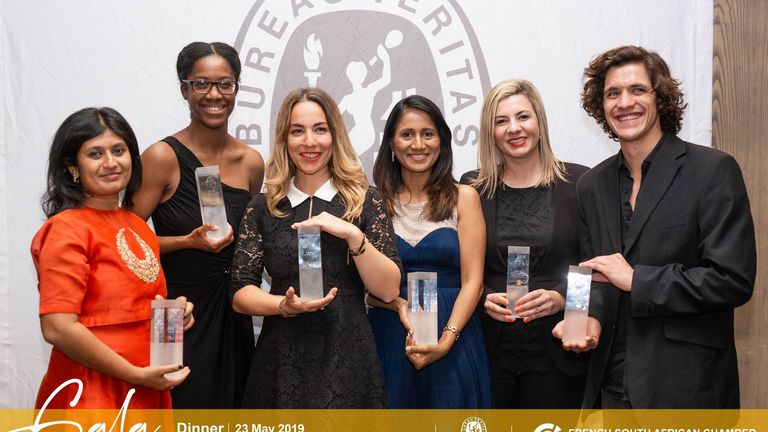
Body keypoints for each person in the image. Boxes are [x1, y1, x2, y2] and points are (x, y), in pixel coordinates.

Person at [553, 45, 756, 408]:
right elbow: (592, 274)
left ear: (660, 97)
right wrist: (585, 318)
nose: (624, 103)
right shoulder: (592, 185)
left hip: (688, 389)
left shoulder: (712, 171)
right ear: (600, 105)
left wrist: (637, 280)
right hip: (613, 387)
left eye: (638, 90)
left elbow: (731, 280)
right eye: (613, 93)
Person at [229, 87, 402, 408]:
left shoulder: (366, 201)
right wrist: (284, 305)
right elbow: (240, 293)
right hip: (280, 360)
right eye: (298, 131)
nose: (310, 142)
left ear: (335, 136)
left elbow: (389, 290)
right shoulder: (264, 207)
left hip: (348, 360)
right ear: (284, 139)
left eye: (320, 129)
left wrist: (353, 235)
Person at [32, 107, 193, 409]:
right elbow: (58, 327)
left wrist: (176, 314)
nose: (110, 162)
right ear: (73, 167)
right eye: (95, 154)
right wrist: (134, 374)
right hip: (89, 393)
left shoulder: (137, 227)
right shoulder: (65, 229)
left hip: (147, 387)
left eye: (118, 150)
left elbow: (133, 308)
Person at [132, 42, 264, 408]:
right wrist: (187, 242)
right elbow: (122, 244)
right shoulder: (162, 157)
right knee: (177, 409)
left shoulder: (251, 162)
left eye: (225, 84)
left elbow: (251, 243)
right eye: (202, 84)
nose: (214, 95)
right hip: (176, 312)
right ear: (184, 90)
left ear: (236, 88)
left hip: (233, 312)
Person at [460, 80, 589, 408]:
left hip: (559, 350)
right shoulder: (472, 187)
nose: (514, 128)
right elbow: (462, 264)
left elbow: (594, 263)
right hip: (490, 350)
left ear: (539, 121)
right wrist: (483, 298)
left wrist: (562, 298)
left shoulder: (580, 182)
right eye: (501, 121)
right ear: (490, 132)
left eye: (523, 117)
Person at [368, 95, 492, 408]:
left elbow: (473, 282)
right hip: (391, 335)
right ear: (392, 144)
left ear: (442, 141)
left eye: (428, 134)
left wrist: (447, 339)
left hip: (454, 334)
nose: (418, 144)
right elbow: (364, 289)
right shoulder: (374, 203)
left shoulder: (464, 197)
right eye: (407, 134)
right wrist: (398, 304)